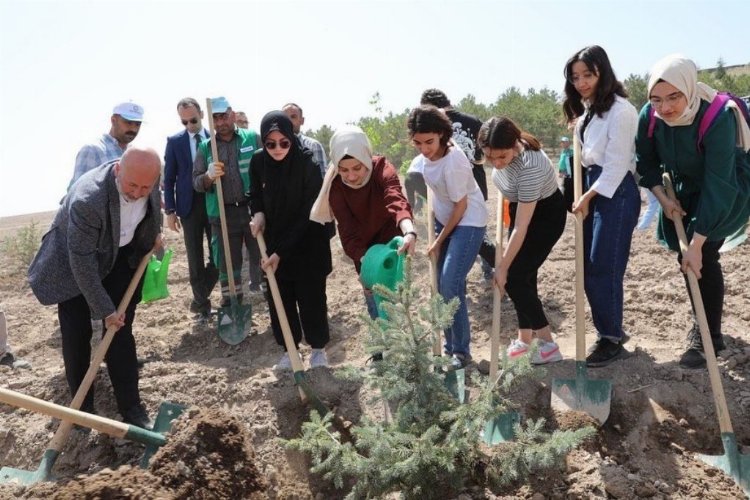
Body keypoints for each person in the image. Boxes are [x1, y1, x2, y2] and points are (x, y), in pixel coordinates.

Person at [28, 147, 163, 429]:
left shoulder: (148, 180)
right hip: (74, 264)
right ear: (118, 172)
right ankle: (82, 411)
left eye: (145, 187)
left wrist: (152, 238)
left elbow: (151, 213)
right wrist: (105, 310)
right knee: (77, 333)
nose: (138, 192)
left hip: (118, 257)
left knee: (120, 331)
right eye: (132, 185)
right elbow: (83, 265)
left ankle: (132, 408)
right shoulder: (88, 199)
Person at [635, 54, 750, 369]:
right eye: (657, 99)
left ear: (689, 88)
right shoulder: (650, 116)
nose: (666, 107)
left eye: (674, 97)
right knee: (684, 258)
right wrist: (662, 197)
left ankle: (708, 336)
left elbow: (719, 185)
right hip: (681, 188)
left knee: (704, 255)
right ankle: (703, 319)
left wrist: (698, 243)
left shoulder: (717, 117)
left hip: (724, 185)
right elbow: (644, 162)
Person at [562, 45, 640, 367]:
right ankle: (611, 330)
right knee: (588, 267)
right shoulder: (589, 112)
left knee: (602, 267)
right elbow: (585, 158)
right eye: (575, 77)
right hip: (593, 187)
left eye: (588, 75)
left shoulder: (622, 111)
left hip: (615, 193)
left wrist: (587, 197)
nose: (581, 82)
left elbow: (616, 166)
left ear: (602, 72)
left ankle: (610, 339)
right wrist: (579, 129)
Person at [478, 117, 566, 364]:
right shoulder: (500, 153)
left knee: (514, 278)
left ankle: (548, 345)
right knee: (525, 277)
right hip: (520, 209)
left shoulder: (531, 167)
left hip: (545, 218)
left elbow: (523, 226)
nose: (496, 163)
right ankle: (524, 339)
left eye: (502, 157)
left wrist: (502, 267)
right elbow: (517, 215)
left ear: (515, 144)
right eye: (490, 157)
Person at [406, 105, 488, 369]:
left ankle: (460, 352)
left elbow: (461, 206)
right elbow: (417, 182)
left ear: (442, 134)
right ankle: (449, 347)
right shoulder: (421, 160)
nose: (424, 148)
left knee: (451, 283)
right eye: (418, 143)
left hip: (468, 221)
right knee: (441, 286)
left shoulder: (454, 162)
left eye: (429, 141)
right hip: (445, 221)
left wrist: (439, 241)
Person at [250, 111, 332, 369]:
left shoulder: (307, 164)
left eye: (283, 142)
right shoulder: (257, 162)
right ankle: (289, 350)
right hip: (274, 239)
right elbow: (256, 196)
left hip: (308, 240)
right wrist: (259, 214)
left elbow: (309, 213)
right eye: (270, 143)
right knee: (279, 299)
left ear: (292, 139)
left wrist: (281, 252)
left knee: (311, 298)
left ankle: (318, 350)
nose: (277, 149)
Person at [310, 125, 417, 323]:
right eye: (343, 170)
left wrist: (409, 232)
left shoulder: (381, 169)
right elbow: (348, 231)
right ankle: (381, 347)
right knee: (373, 296)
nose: (351, 176)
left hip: (391, 241)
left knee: (396, 295)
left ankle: (401, 346)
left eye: (357, 168)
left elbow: (396, 199)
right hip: (363, 249)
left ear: (366, 157)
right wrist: (368, 262)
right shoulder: (336, 187)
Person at [193, 97, 263, 306]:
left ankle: (272, 298)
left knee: (261, 253)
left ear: (232, 114)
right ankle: (232, 302)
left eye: (224, 116)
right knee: (227, 261)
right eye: (216, 118)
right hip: (223, 213)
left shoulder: (251, 138)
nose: (221, 122)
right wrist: (208, 176)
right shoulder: (206, 148)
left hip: (252, 209)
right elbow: (196, 182)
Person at [420, 88, 494, 281]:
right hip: (474, 185)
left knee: (471, 234)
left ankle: (496, 267)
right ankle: (488, 269)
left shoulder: (432, 125)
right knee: (475, 234)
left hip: (461, 189)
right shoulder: (473, 121)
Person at [164, 98, 218, 320]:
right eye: (183, 122)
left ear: (202, 116)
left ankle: (198, 296)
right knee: (194, 258)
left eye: (192, 120)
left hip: (213, 202)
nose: (189, 125)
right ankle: (203, 306)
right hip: (188, 207)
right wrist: (170, 210)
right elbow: (168, 179)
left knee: (219, 255)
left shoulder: (214, 139)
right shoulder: (174, 142)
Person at [68, 101, 144, 189]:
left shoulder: (136, 155)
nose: (133, 129)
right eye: (128, 123)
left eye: (137, 124)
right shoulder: (93, 150)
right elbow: (79, 193)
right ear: (113, 120)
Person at [282, 103, 329, 178]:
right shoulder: (273, 147)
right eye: (285, 118)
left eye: (293, 117)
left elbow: (322, 179)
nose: (289, 121)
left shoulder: (313, 146)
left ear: (302, 121)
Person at [558, 136, 575, 210]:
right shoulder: (563, 152)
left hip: (570, 174)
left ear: (569, 143)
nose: (563, 144)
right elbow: (562, 163)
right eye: (562, 142)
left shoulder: (572, 152)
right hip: (564, 174)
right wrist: (560, 171)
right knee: (563, 188)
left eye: (565, 142)